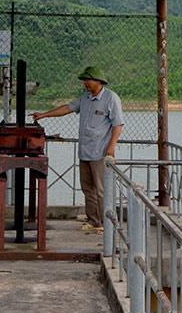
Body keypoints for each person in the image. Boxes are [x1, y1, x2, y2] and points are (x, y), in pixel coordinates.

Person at [32, 66, 124, 229]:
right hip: (85, 152)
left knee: (101, 189)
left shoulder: (111, 98)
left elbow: (118, 125)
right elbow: (67, 108)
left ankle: (107, 225)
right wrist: (44, 114)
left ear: (97, 80)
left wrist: (111, 147)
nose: (85, 84)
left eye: (87, 80)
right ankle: (93, 221)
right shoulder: (85, 98)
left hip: (100, 152)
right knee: (87, 188)